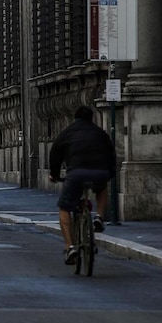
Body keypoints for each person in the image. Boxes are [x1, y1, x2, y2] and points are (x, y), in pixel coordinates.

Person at [49, 105, 116, 265]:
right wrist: (110, 174)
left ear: (75, 118)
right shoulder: (100, 133)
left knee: (64, 208)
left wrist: (55, 174)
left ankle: (70, 246)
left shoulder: (68, 132)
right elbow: (111, 154)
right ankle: (99, 216)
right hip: (100, 172)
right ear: (91, 118)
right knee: (102, 188)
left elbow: (55, 153)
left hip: (76, 173)